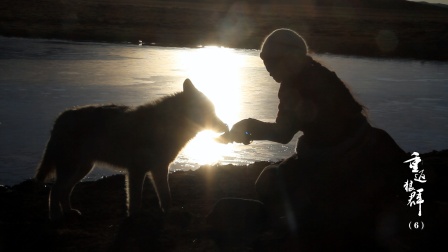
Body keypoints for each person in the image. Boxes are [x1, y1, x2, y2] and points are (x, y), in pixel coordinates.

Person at [216, 28, 411, 250]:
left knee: (267, 181)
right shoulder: (319, 73)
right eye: (265, 63)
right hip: (361, 144)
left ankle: (292, 229)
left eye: (271, 62)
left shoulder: (294, 86)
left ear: (288, 58)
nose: (268, 70)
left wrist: (248, 129)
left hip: (333, 159)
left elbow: (283, 134)